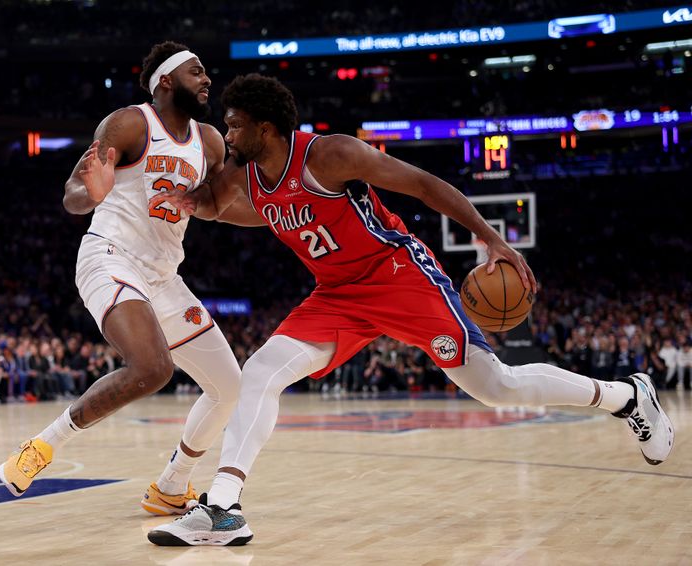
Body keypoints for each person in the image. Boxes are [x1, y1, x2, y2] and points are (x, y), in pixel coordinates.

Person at [147, 74, 675, 546]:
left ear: (266, 127)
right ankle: (222, 506)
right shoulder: (246, 174)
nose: (228, 135)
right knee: (260, 370)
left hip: (399, 276)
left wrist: (491, 240)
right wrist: (190, 201)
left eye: (235, 126)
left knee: (497, 387)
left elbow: (423, 184)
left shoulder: (329, 154)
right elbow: (222, 205)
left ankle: (625, 396)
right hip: (337, 294)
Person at [0, 42, 244, 518]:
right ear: (166, 82)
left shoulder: (209, 141)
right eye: (197, 72)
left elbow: (223, 205)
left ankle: (171, 486)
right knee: (153, 369)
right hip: (109, 256)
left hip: (163, 275)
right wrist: (88, 194)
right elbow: (73, 194)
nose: (207, 79)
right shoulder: (130, 123)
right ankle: (41, 447)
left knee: (229, 387)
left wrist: (285, 214)